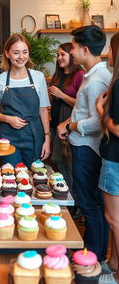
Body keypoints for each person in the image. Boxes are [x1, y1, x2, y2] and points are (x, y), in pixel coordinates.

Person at [57, 25, 111, 262]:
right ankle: (93, 252)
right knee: (92, 203)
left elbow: (95, 122)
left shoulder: (98, 80)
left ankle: (93, 256)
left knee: (90, 204)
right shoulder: (92, 76)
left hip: (89, 149)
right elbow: (83, 111)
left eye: (74, 47)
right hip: (84, 146)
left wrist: (69, 126)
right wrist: (68, 123)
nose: (72, 51)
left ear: (85, 49)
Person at [0, 33, 51, 168]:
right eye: (16, 53)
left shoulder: (38, 77)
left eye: (25, 52)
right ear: (7, 53)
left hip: (35, 136)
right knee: (10, 177)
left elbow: (43, 109)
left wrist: (47, 138)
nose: (21, 57)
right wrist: (8, 119)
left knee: (35, 177)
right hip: (9, 138)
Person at [96, 32, 119, 283]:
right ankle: (113, 263)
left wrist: (100, 110)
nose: (108, 55)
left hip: (115, 158)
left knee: (114, 218)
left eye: (111, 50)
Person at [48, 43, 84, 197]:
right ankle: (69, 197)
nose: (59, 57)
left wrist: (62, 95)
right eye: (58, 55)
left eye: (63, 54)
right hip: (56, 123)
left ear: (72, 54)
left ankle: (76, 200)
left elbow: (83, 105)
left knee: (70, 164)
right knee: (60, 163)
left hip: (70, 124)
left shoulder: (79, 75)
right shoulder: (57, 75)